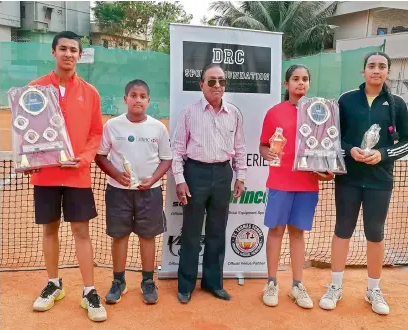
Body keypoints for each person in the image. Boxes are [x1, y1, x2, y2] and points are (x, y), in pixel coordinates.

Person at [319, 52, 408, 315]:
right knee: (342, 230)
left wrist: (381, 155)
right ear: (363, 72)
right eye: (371, 66)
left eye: (382, 66)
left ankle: (373, 289)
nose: (376, 70)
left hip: (380, 180)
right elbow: (332, 137)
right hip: (348, 178)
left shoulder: (397, 104)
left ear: (388, 72)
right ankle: (335, 286)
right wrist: (349, 151)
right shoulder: (346, 100)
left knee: (375, 233)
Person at [29, 31, 107, 321]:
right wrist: (33, 159)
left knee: (81, 232)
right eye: (63, 49)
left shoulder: (91, 92)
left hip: (78, 176)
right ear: (53, 52)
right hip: (46, 176)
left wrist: (84, 159)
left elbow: (96, 132)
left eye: (74, 50)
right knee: (49, 229)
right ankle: (53, 284)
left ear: (79, 55)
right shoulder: (34, 89)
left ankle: (89, 291)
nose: (69, 54)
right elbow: (28, 133)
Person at [171, 63, 247, 304]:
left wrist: (241, 176)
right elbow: (177, 150)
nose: (217, 85)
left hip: (223, 174)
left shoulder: (234, 113)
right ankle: (186, 285)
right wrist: (180, 180)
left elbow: (240, 148)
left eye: (221, 81)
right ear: (201, 84)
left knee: (217, 231)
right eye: (211, 81)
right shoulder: (189, 113)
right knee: (192, 232)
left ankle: (213, 283)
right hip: (195, 174)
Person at [260, 65, 334, 308]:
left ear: (309, 84)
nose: (300, 83)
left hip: (307, 184)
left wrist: (327, 169)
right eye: (295, 79)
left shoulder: (320, 113)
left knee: (297, 233)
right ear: (286, 84)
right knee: (276, 231)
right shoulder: (274, 113)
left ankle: (297, 285)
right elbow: (263, 145)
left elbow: (326, 147)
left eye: (304, 79)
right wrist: (268, 153)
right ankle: (271, 282)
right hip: (280, 182)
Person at [95, 79, 172, 305]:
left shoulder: (158, 127)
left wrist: (153, 179)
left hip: (150, 192)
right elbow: (100, 155)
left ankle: (147, 281)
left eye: (142, 96)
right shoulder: (112, 126)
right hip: (118, 192)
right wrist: (117, 175)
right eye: (133, 95)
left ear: (148, 101)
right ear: (125, 99)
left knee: (147, 236)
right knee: (119, 236)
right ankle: (118, 281)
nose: (138, 99)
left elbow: (166, 159)